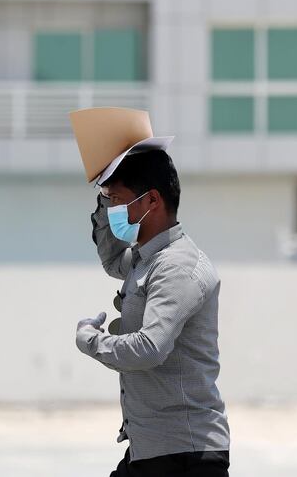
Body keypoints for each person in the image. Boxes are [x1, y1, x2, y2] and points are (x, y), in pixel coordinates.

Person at [75, 149, 231, 476]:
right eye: (108, 200)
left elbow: (149, 348)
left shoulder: (176, 265)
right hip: (152, 449)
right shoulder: (147, 258)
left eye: (117, 200)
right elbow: (112, 260)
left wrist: (91, 341)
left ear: (152, 201)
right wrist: (104, 196)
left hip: (185, 455)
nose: (112, 209)